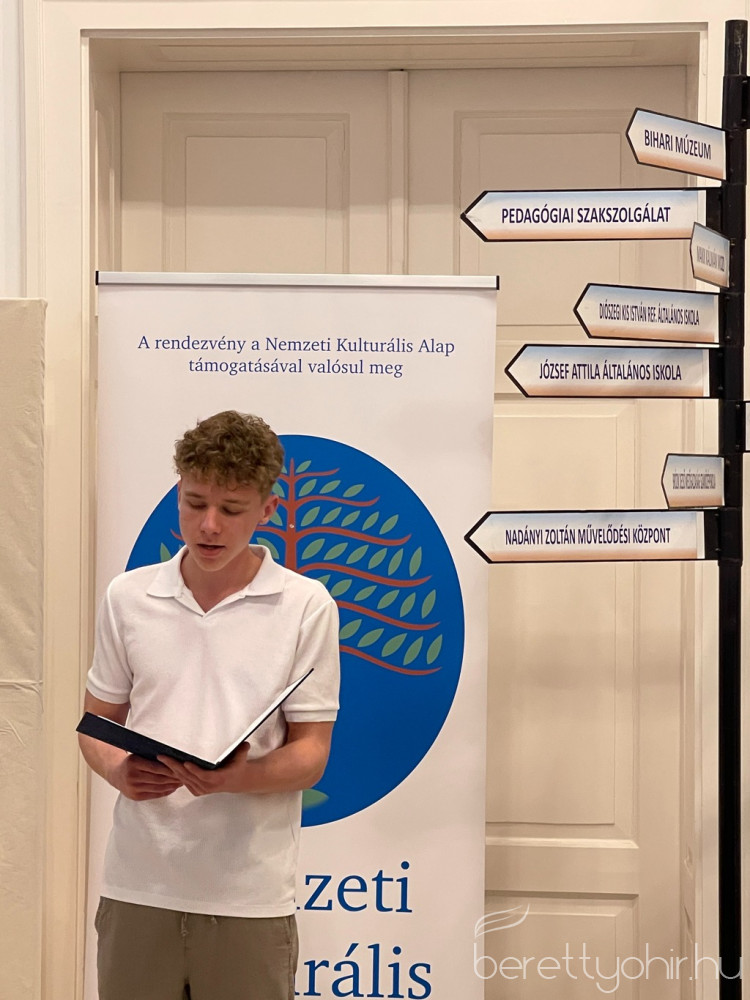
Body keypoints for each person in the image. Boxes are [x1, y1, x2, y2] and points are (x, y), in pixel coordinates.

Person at [78, 410, 340, 1000]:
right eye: (194, 503)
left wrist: (234, 779)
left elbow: (312, 753)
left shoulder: (306, 606)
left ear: (268, 509)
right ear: (178, 492)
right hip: (138, 885)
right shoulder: (128, 597)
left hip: (249, 895)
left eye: (232, 508)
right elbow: (96, 724)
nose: (209, 525)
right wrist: (118, 769)